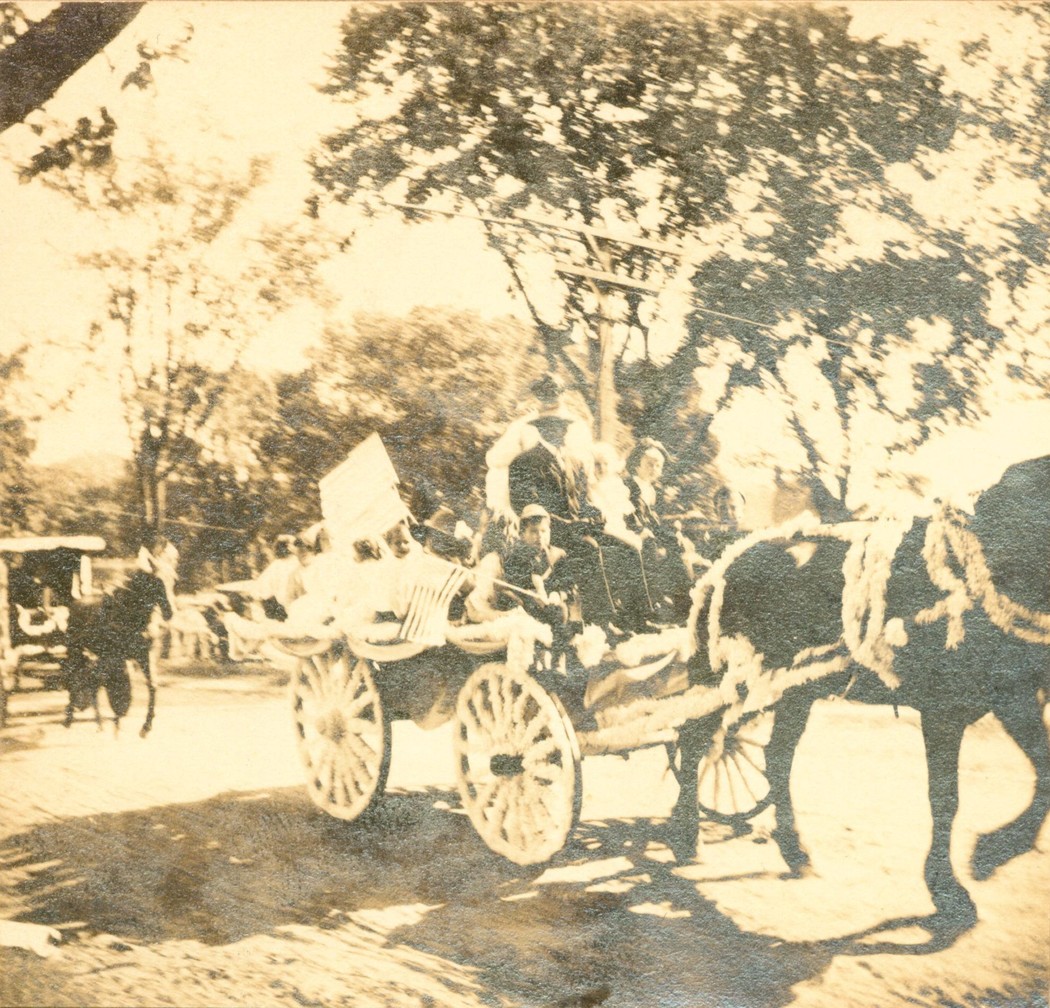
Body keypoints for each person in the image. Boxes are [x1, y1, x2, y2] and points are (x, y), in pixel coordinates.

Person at [625, 439, 693, 622]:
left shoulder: (651, 489)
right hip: (630, 530)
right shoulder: (630, 485)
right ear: (636, 463)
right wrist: (641, 529)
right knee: (651, 546)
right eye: (649, 464)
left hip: (648, 530)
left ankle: (685, 603)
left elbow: (654, 520)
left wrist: (671, 534)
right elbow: (628, 513)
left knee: (678, 545)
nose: (654, 469)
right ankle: (652, 602)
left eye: (658, 465)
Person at [253, 535, 304, 621]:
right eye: (295, 544)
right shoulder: (295, 561)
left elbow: (260, 588)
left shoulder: (277, 564)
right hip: (290, 602)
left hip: (284, 601)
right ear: (288, 547)